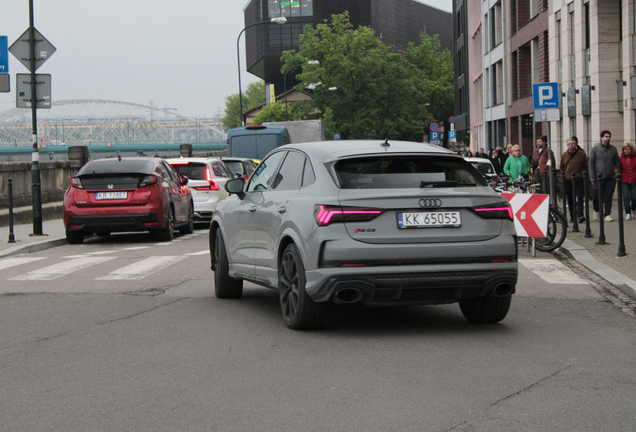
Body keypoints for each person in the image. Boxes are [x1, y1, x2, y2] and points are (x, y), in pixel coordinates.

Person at [589, 130, 621, 222]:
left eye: (609, 136)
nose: (608, 138)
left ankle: (607, 214)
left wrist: (616, 172)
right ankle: (596, 209)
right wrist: (592, 175)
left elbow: (617, 162)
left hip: (610, 177)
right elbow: (591, 162)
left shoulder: (613, 149)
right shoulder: (595, 149)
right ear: (601, 138)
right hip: (598, 177)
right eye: (606, 136)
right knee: (596, 195)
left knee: (608, 196)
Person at [560, 137, 589, 223]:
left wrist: (585, 175)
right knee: (570, 198)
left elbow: (586, 166)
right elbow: (562, 167)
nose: (571, 145)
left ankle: (580, 215)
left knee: (580, 196)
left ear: (576, 144)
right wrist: (563, 175)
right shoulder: (564, 155)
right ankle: (572, 216)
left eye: (572, 143)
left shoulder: (582, 154)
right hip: (568, 179)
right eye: (569, 144)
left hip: (579, 178)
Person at [620, 142, 636, 220]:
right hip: (624, 180)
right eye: (625, 149)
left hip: (634, 180)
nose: (627, 151)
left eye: (628, 149)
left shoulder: (635, 158)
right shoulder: (621, 158)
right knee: (626, 197)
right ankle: (628, 212)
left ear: (631, 150)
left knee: (634, 197)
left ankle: (633, 209)